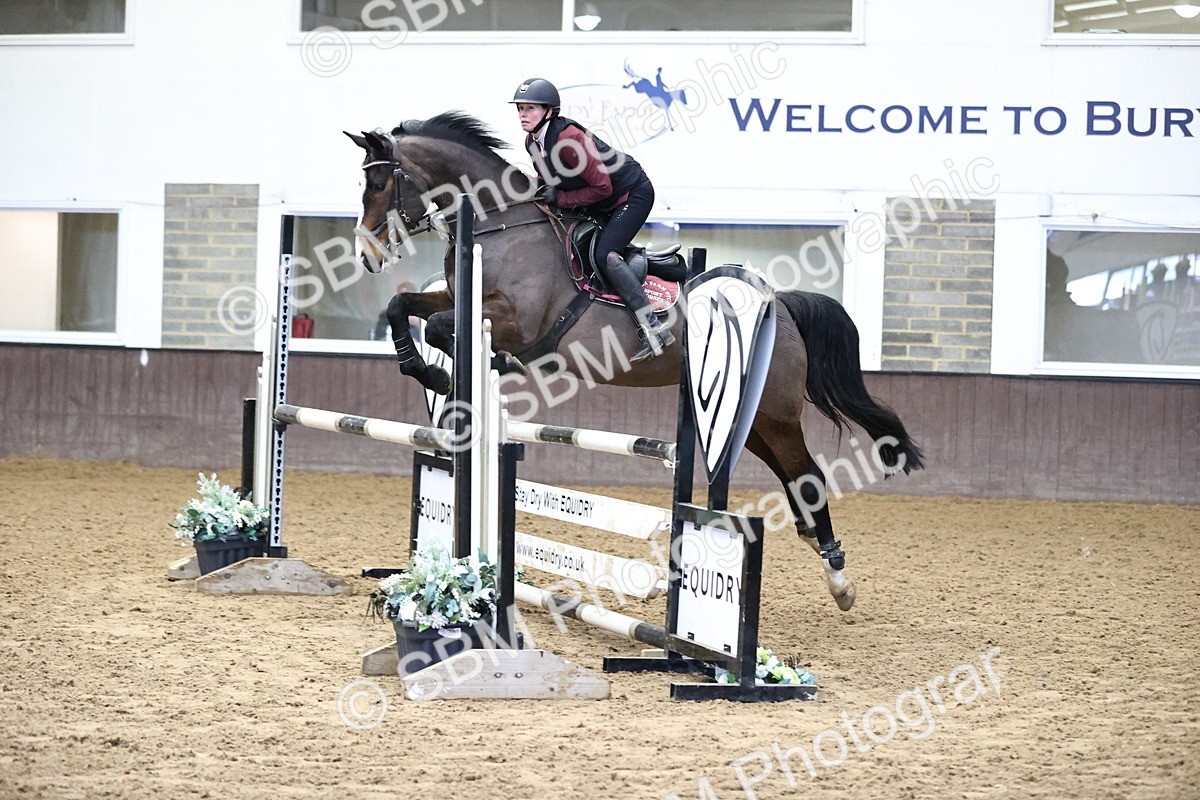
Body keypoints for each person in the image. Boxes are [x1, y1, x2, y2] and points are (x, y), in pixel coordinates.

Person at [509, 77, 674, 363]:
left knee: (606, 255)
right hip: (602, 199)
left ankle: (654, 329)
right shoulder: (532, 142)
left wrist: (559, 199)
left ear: (549, 111)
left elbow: (603, 188)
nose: (523, 114)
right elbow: (552, 179)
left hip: (631, 193)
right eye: (520, 108)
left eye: (530, 108)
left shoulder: (569, 139)